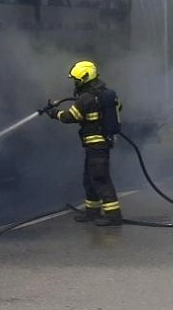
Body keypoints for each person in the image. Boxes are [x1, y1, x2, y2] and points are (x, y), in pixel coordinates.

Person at [45, 59, 123, 226]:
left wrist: (54, 113)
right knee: (89, 179)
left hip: (97, 145)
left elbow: (69, 117)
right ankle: (92, 212)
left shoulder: (87, 98)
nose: (75, 83)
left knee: (100, 179)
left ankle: (114, 215)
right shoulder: (105, 94)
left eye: (77, 80)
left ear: (85, 78)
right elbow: (118, 108)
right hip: (97, 144)